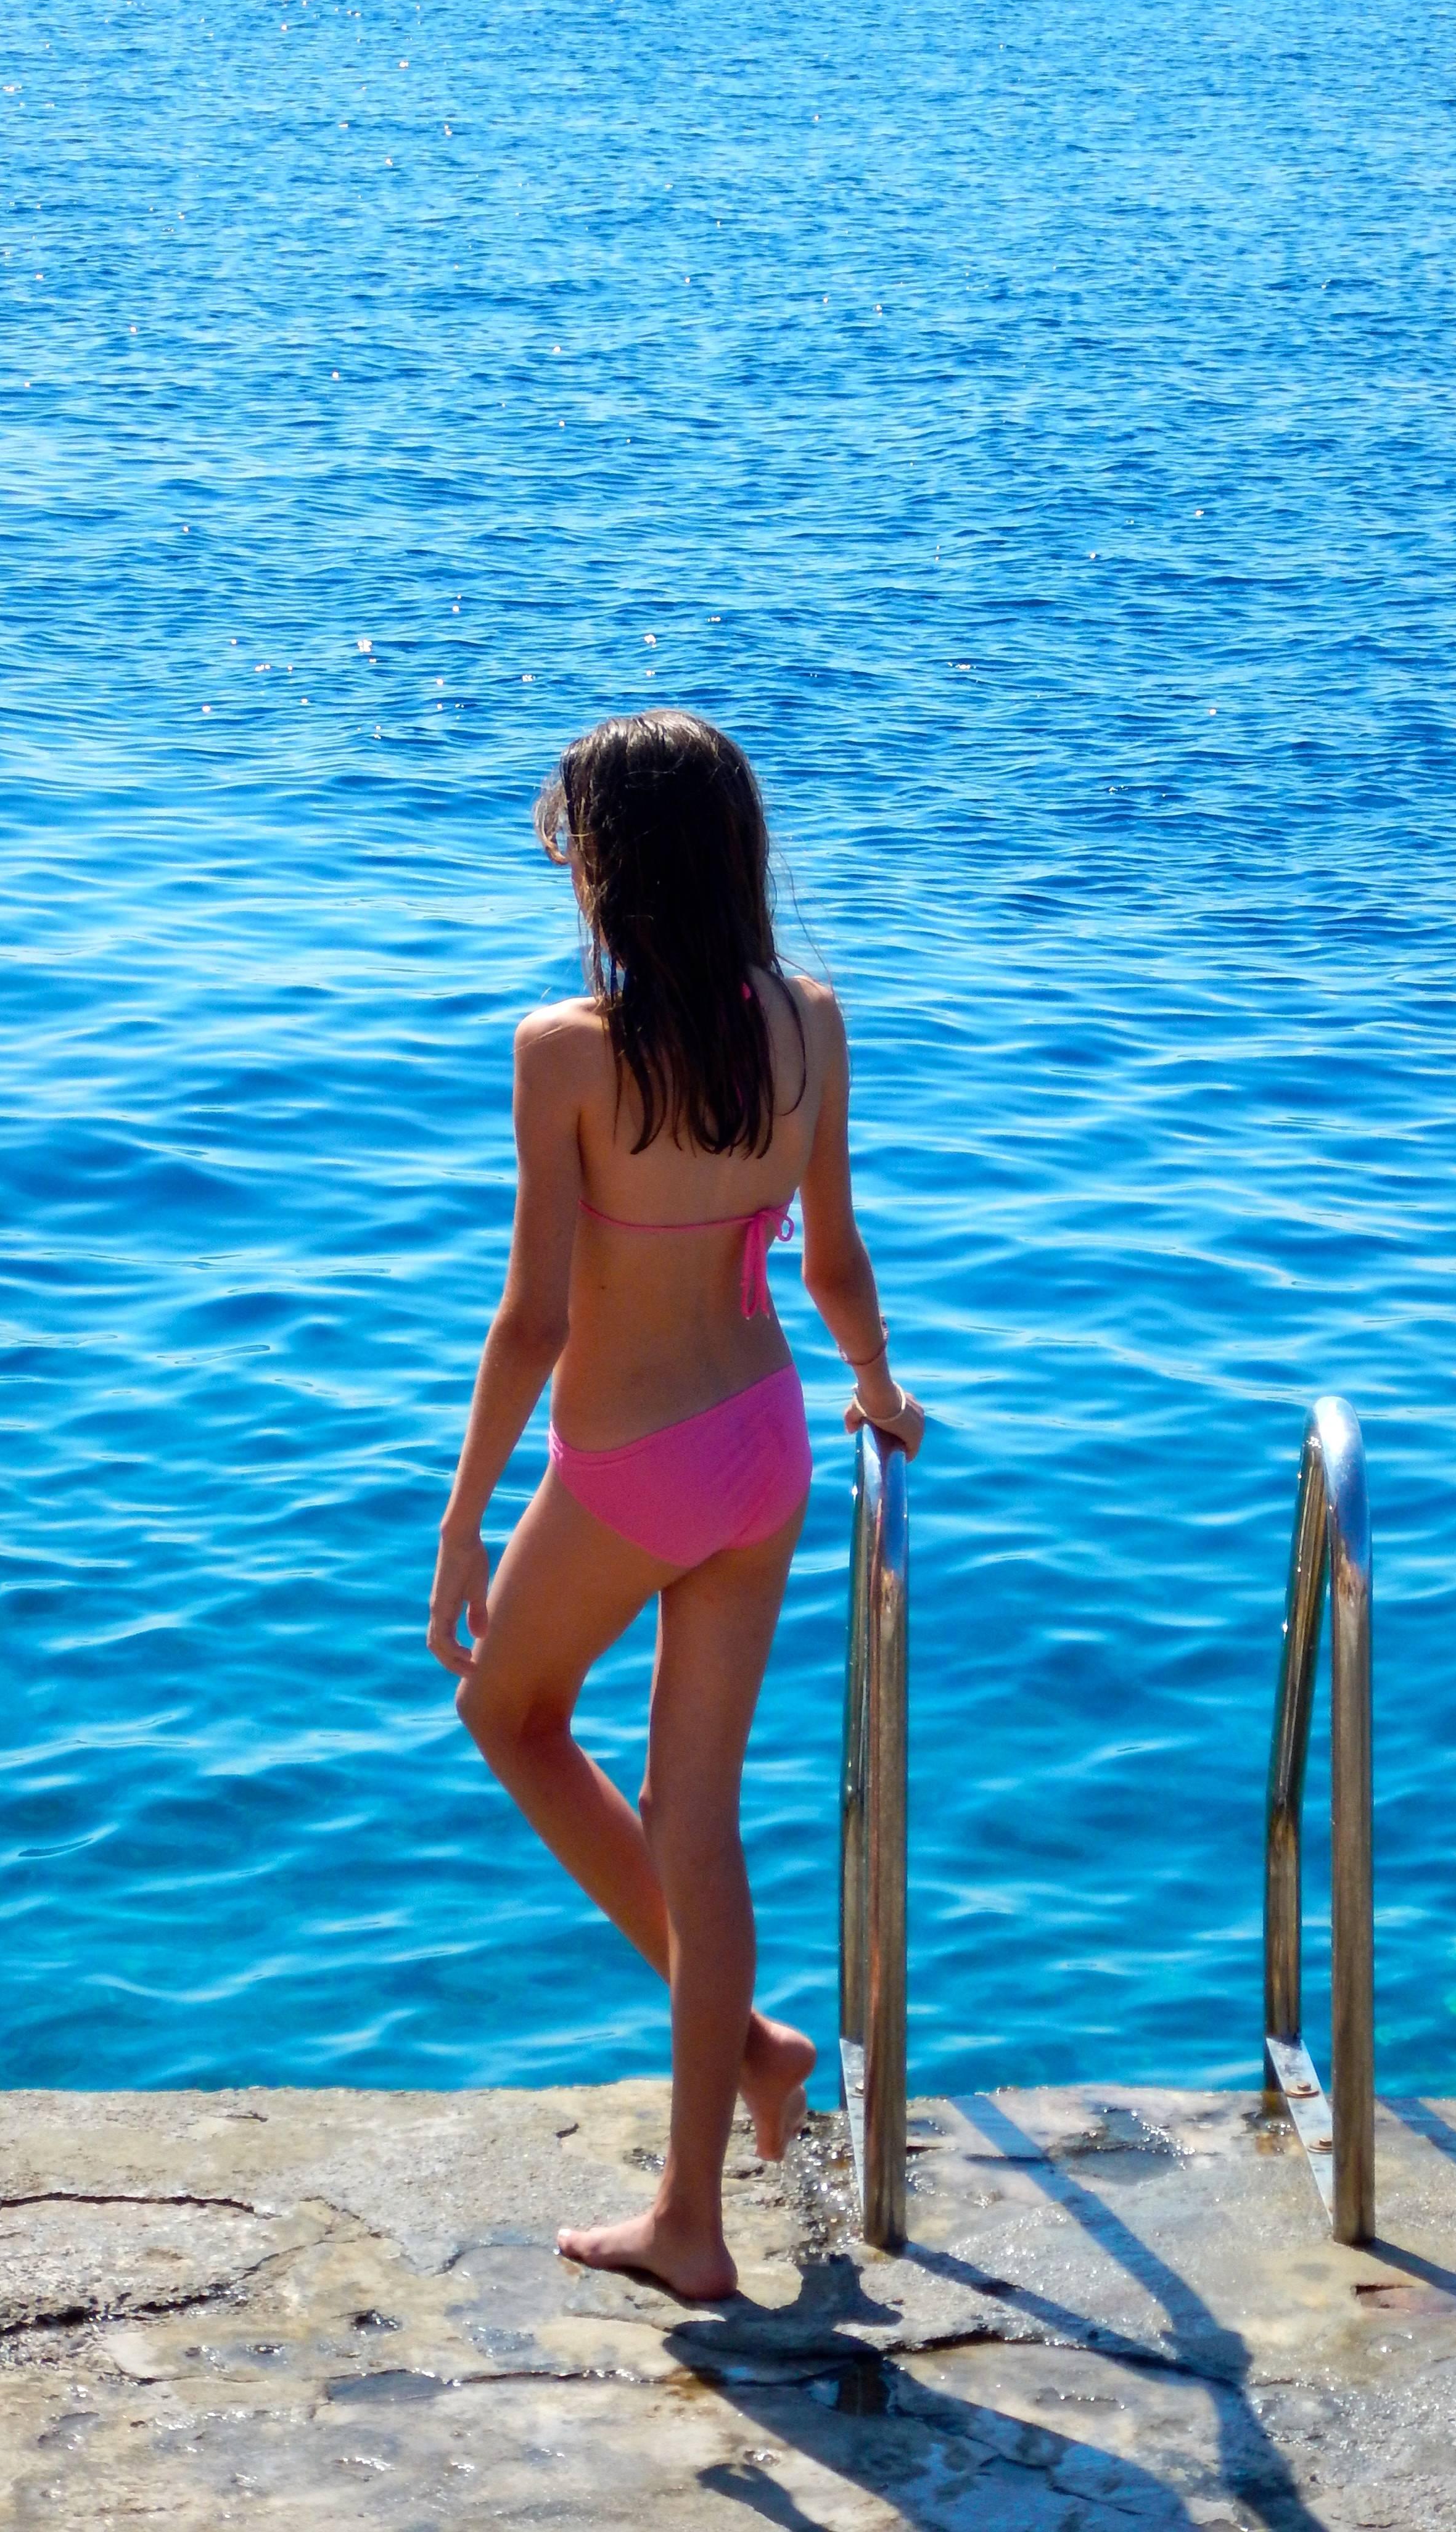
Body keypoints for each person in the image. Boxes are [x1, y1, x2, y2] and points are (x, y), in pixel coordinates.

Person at [427, 709, 926, 2302]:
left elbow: (535, 1321)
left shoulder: (567, 1050)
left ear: (610, 866)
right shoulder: (812, 1022)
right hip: (767, 1441)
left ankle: (707, 2190)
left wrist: (464, 1519)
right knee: (698, 1813)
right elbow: (833, 1261)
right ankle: (750, 2087)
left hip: (633, 1461)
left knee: (511, 1717)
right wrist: (884, 1390)